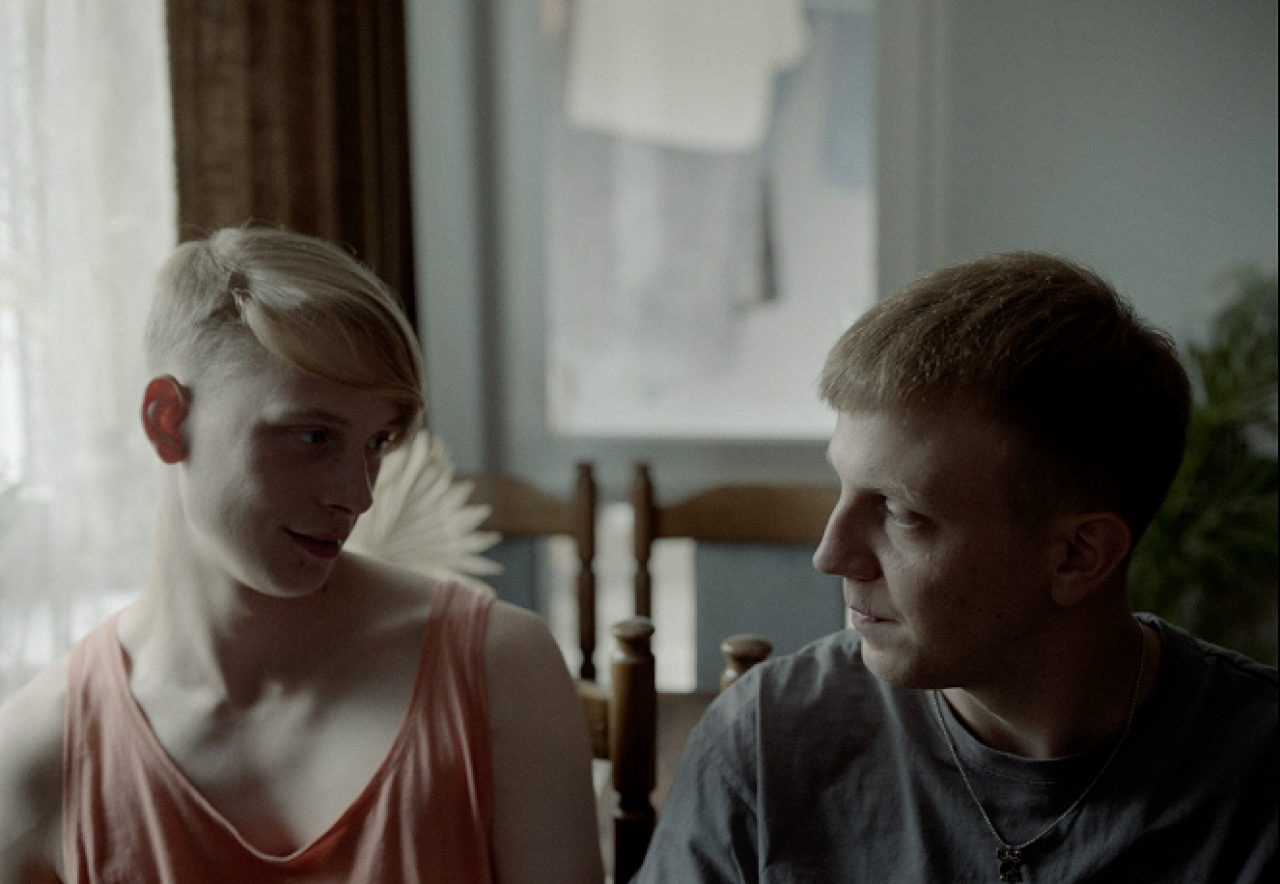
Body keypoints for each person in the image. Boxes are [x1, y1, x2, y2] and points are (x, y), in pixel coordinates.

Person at [637, 252, 1278, 882]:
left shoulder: (1257, 779)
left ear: (1077, 556)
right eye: (843, 487)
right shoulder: (767, 740)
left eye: (900, 513)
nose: (830, 555)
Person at [0, 227, 604, 883]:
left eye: (377, 442)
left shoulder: (500, 670)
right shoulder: (36, 754)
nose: (359, 495)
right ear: (168, 421)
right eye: (313, 436)